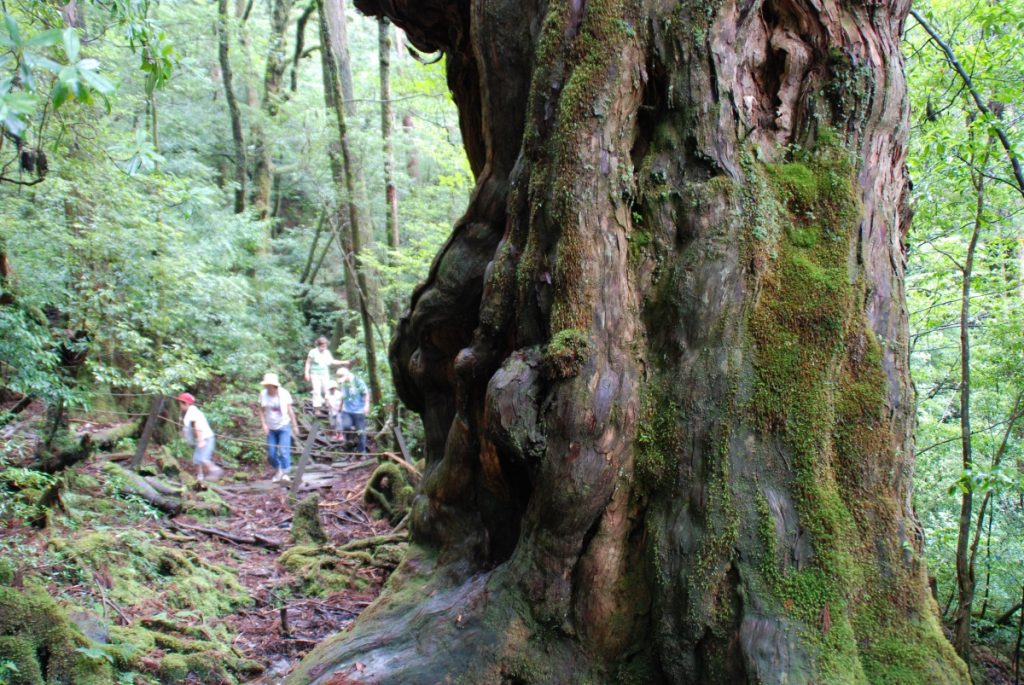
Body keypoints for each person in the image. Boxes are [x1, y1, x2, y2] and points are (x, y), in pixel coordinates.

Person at [258, 373, 300, 482]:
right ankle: (278, 469)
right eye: (266, 385)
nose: (267, 387)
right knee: (271, 454)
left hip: (284, 426)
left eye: (269, 385)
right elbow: (261, 410)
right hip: (271, 427)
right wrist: (263, 424)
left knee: (283, 451)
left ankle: (285, 473)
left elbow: (290, 410)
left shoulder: (284, 393)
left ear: (274, 386)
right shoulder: (263, 394)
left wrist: (295, 425)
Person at [176, 392, 223, 482]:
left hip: (206, 438)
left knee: (203, 458)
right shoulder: (190, 412)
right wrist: (183, 433)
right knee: (197, 459)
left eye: (180, 403)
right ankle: (200, 477)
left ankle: (215, 470)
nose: (179, 405)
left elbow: (197, 425)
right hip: (201, 438)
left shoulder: (192, 411)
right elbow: (189, 427)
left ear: (185, 403)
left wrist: (200, 440)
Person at [303, 337, 344, 410]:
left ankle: (329, 405)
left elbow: (332, 361)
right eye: (322, 346)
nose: (323, 348)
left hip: (324, 373)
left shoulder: (327, 352)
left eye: (325, 346)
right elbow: (308, 363)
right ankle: (317, 408)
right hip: (315, 373)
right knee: (316, 390)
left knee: (327, 389)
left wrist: (344, 362)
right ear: (318, 345)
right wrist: (306, 373)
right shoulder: (313, 352)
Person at [336, 365, 370, 454]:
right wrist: (340, 405)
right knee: (346, 426)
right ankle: (349, 443)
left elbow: (366, 393)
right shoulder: (343, 383)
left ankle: (361, 451)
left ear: (347, 375)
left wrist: (366, 405)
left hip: (359, 411)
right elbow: (343, 395)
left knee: (360, 432)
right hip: (346, 410)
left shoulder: (358, 382)